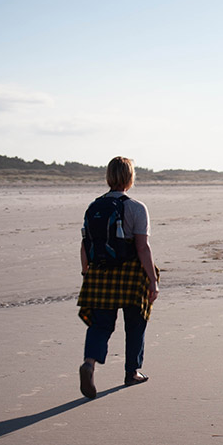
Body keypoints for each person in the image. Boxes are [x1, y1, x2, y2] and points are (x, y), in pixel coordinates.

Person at [77, 156, 160, 399]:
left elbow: (85, 244)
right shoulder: (136, 207)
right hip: (131, 274)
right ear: (130, 177)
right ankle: (132, 372)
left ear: (108, 177)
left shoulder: (94, 207)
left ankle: (89, 363)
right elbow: (143, 248)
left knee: (100, 324)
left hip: (100, 273)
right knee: (136, 323)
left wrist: (86, 273)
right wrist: (153, 281)